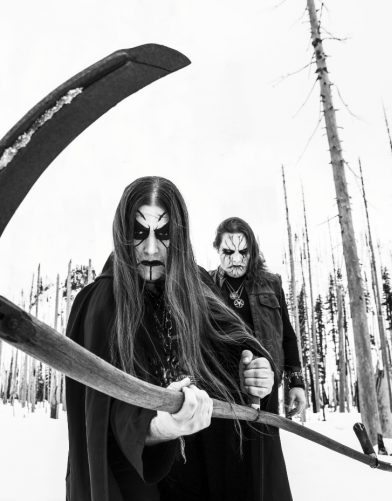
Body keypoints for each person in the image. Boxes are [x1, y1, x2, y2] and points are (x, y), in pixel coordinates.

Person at [65, 177, 278, 501]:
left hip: (207, 479)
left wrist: (256, 374)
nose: (151, 248)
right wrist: (163, 425)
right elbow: (109, 416)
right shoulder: (101, 303)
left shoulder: (198, 286)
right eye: (139, 232)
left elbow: (236, 348)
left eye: (163, 234)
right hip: (139, 485)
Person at [208, 217, 307, 498]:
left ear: (252, 250)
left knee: (265, 465)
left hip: (265, 389)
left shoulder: (271, 284)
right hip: (222, 390)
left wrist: (296, 382)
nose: (236, 259)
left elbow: (288, 336)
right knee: (228, 467)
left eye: (243, 251)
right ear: (217, 250)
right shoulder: (208, 286)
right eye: (228, 251)